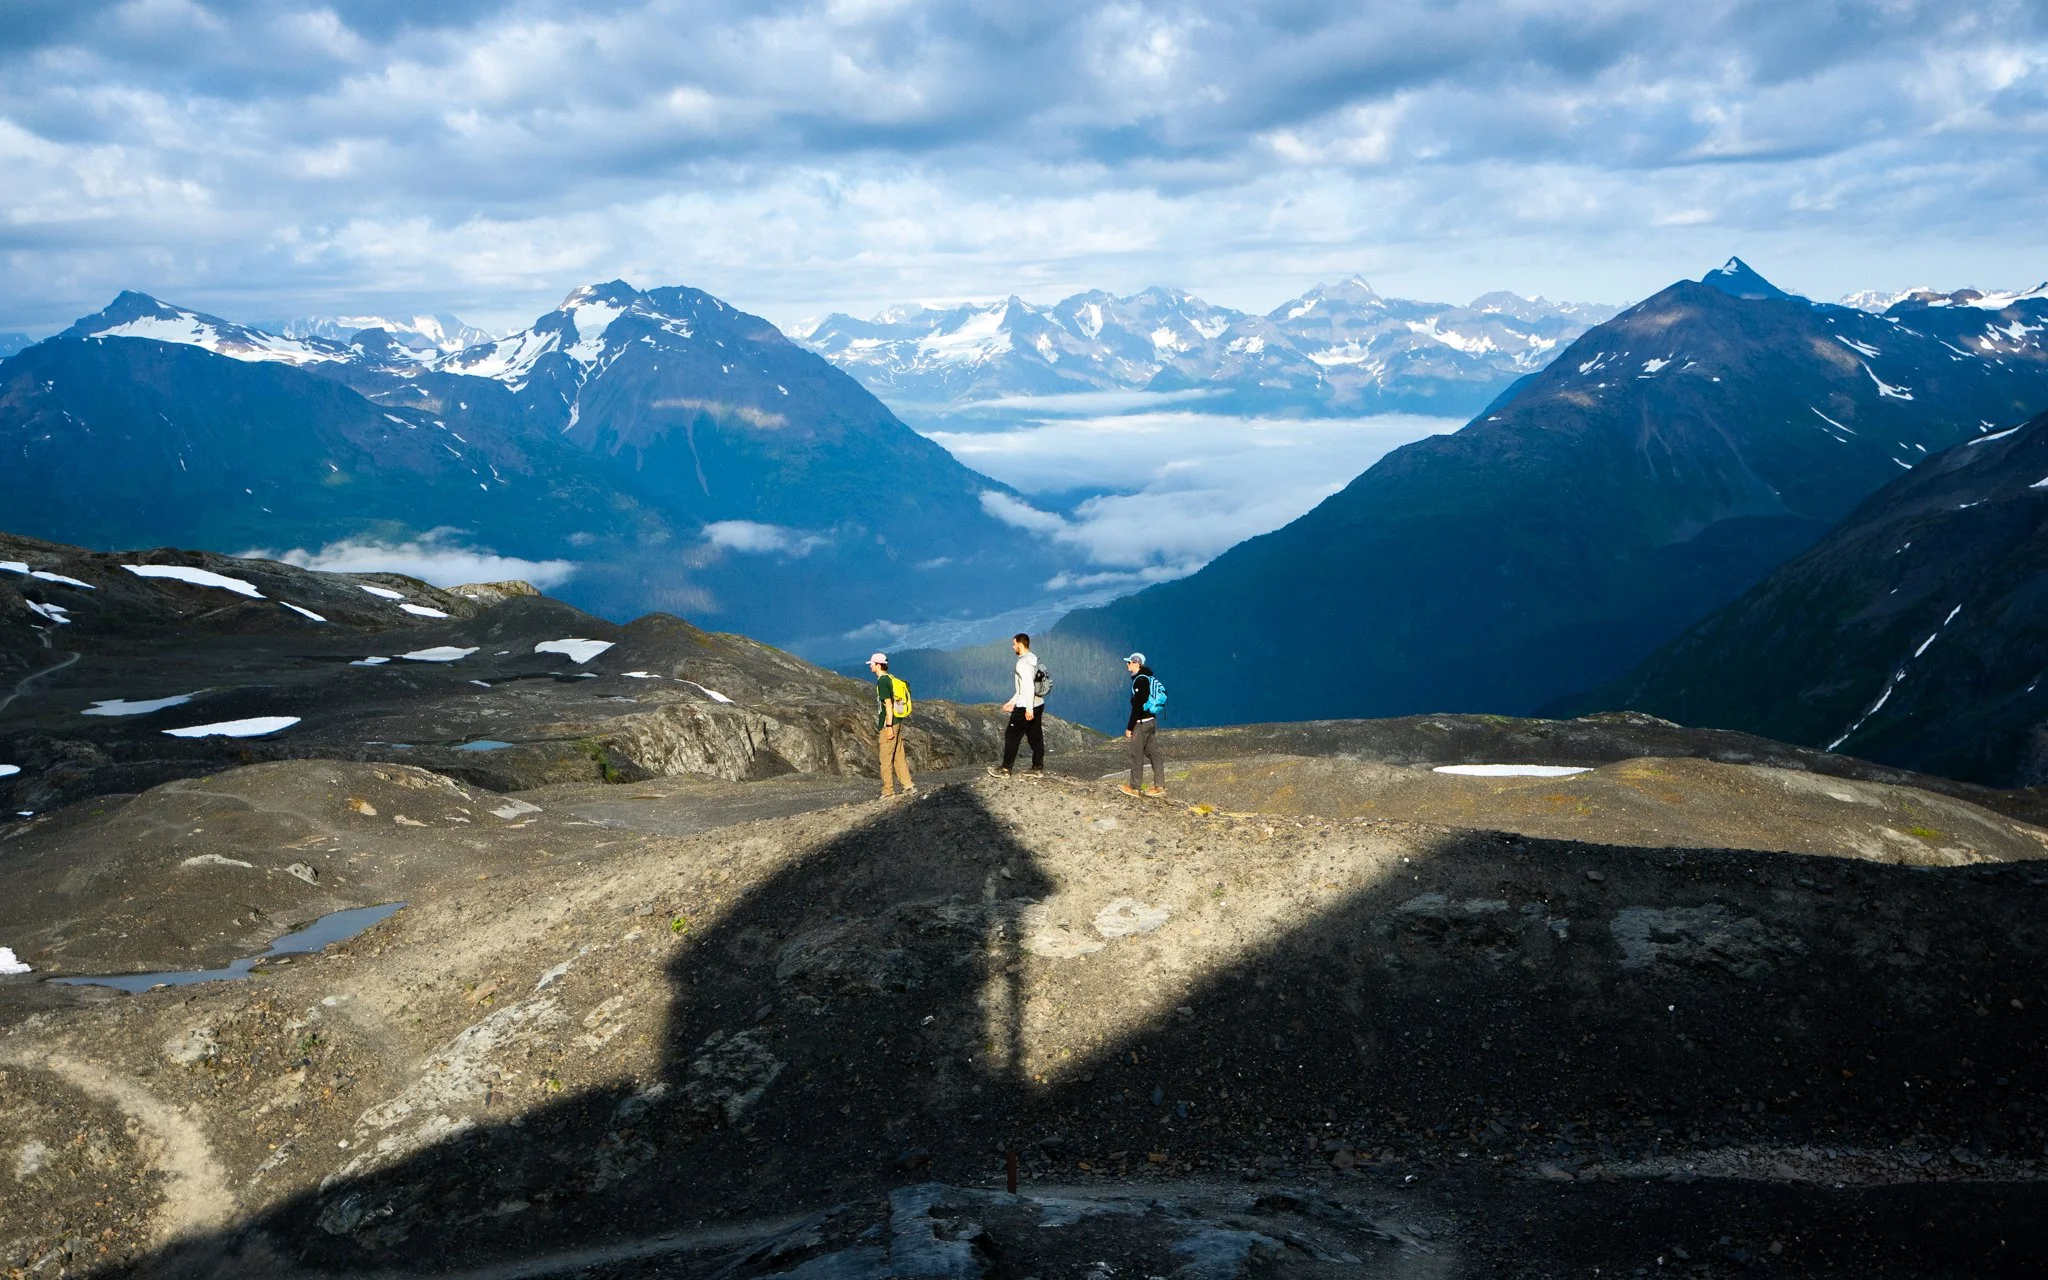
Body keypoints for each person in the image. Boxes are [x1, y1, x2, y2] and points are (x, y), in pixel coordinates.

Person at [991, 632, 1045, 777]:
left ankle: (1005, 769)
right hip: (1039, 703)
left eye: (1014, 644)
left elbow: (1028, 686)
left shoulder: (1022, 663)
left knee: (1011, 736)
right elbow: (1024, 687)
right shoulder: (1033, 659)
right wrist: (1012, 701)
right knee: (1035, 737)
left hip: (1026, 706)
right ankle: (1037, 768)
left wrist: (1028, 709)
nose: (1012, 647)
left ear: (1020, 645)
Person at [868, 652, 915, 799]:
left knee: (886, 758)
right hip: (897, 721)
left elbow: (888, 705)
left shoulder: (882, 681)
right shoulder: (891, 678)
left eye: (872, 663)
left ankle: (888, 791)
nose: (870, 665)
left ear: (878, 665)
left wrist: (888, 726)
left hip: (889, 723)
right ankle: (908, 786)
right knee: (898, 755)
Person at [1120, 652, 1166, 797]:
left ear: (1136, 663)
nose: (1127, 664)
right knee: (1154, 754)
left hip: (1141, 723)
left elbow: (1137, 706)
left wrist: (1129, 727)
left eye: (1129, 662)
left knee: (1136, 754)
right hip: (1151, 721)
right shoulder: (1148, 678)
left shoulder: (1140, 681)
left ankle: (1135, 787)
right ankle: (1159, 786)